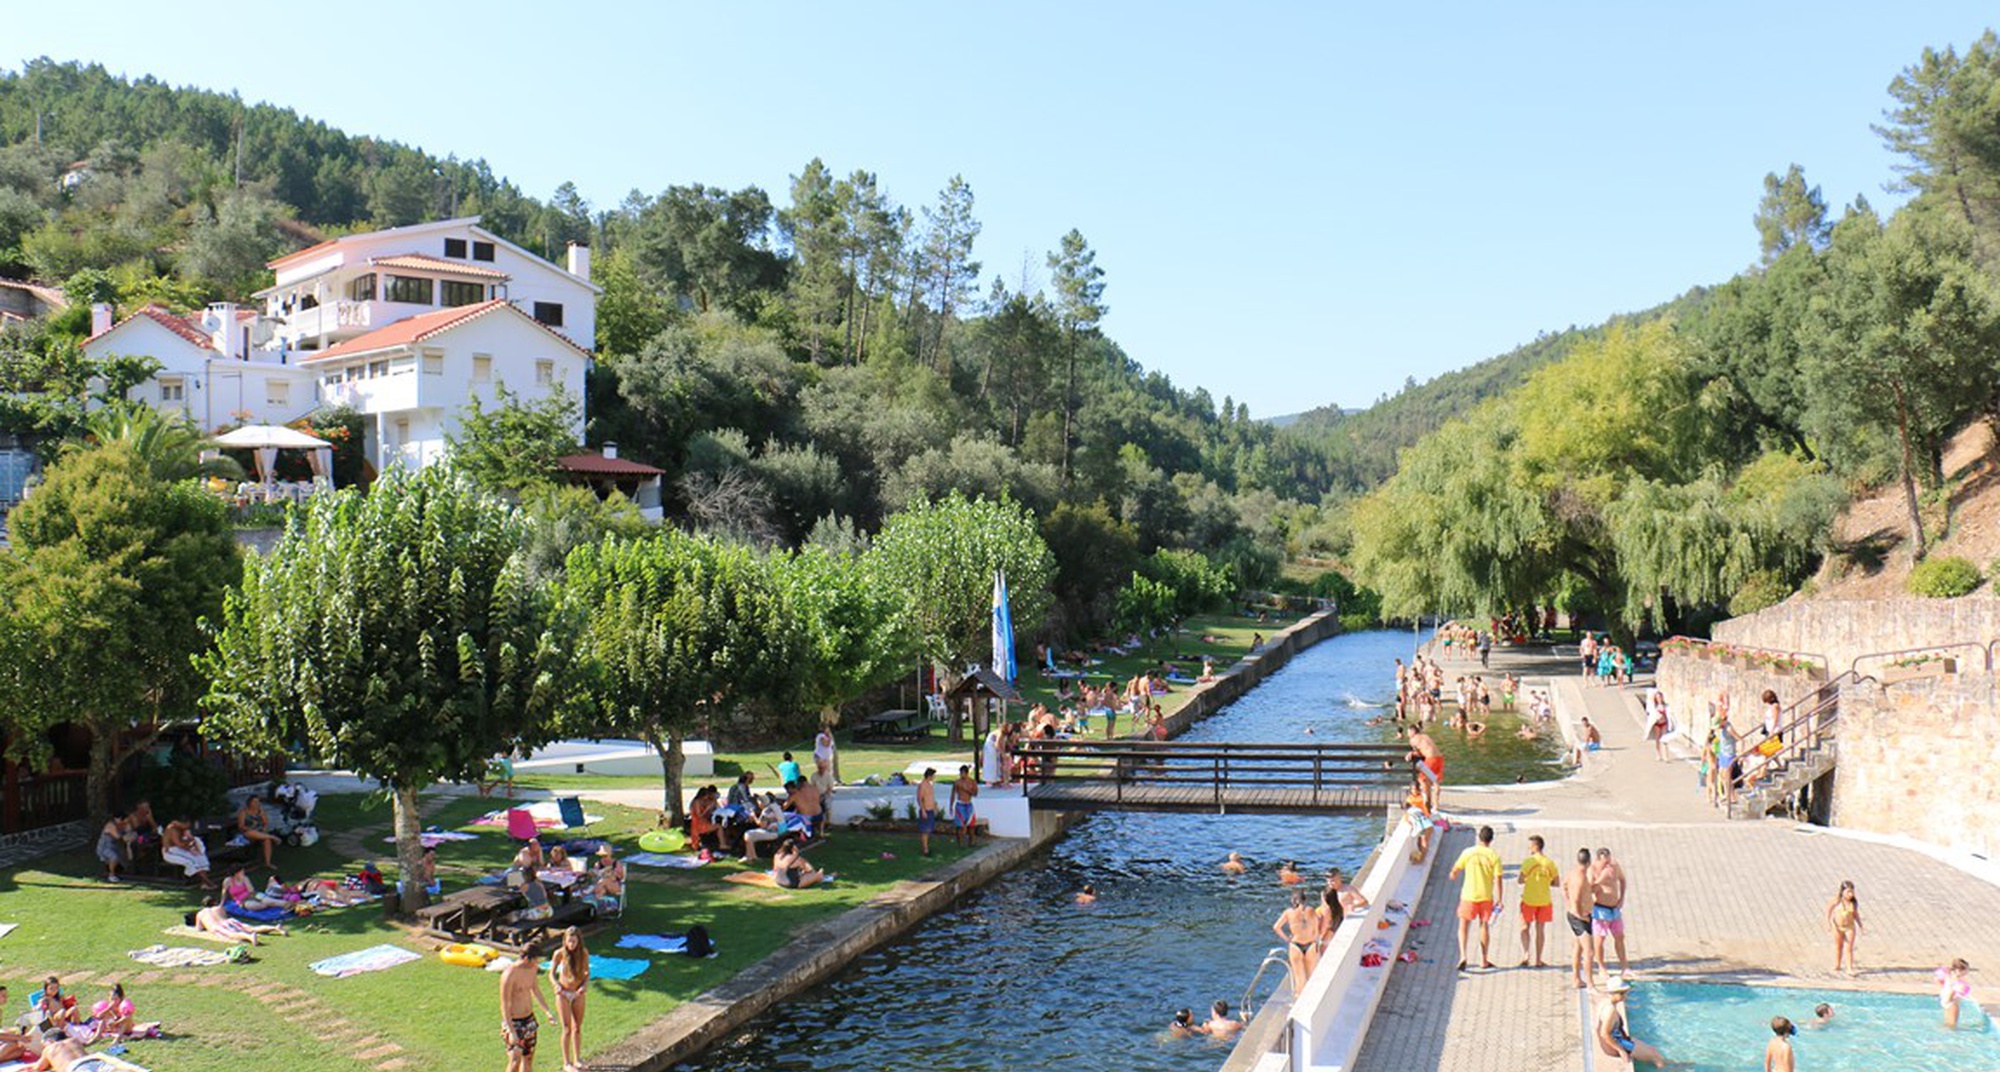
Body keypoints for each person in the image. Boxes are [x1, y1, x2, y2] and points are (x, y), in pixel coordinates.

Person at [1451, 825, 1504, 971]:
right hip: (1486, 896)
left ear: (1479, 837)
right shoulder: (1494, 856)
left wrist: (1453, 875)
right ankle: (1484, 960)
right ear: (1491, 840)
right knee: (1484, 926)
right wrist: (1500, 899)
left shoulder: (1468, 852)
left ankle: (1463, 955)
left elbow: (1455, 870)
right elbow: (1498, 879)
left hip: (1468, 895)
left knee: (1463, 926)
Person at [500, 942, 556, 1072]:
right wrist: (511, 1030)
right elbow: (505, 1005)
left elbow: (535, 990)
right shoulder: (509, 975)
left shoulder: (532, 969)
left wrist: (547, 1012)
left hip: (529, 1020)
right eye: (536, 960)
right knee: (514, 1062)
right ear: (526, 958)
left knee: (528, 1058)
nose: (537, 963)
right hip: (514, 1022)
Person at [1595, 979, 1668, 1068]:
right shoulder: (1610, 1011)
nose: (1625, 996)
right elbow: (1604, 1034)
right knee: (1656, 1057)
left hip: (1618, 1039)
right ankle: (1664, 1069)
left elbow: (1598, 1028)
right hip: (1617, 1044)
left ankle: (1663, 1065)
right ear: (1615, 993)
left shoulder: (1604, 1002)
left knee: (1652, 1050)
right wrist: (1621, 1050)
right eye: (1622, 993)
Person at [549, 926, 590, 1072]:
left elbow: (587, 973)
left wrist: (584, 986)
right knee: (566, 1029)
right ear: (565, 941)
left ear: (579, 941)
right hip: (563, 994)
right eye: (569, 941)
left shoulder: (583, 953)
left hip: (577, 993)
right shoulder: (559, 954)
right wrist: (556, 985)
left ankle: (577, 1059)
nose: (572, 944)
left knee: (577, 1028)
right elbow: (551, 974)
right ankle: (566, 1062)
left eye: (574, 941)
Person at [1517, 835, 1559, 968]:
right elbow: (1556, 882)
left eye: (1530, 845)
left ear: (1536, 846)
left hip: (1529, 899)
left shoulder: (1528, 862)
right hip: (1544, 900)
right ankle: (1538, 959)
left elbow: (1520, 880)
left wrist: (1530, 879)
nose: (1529, 848)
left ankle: (1526, 954)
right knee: (1540, 929)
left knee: (1524, 927)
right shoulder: (1550, 863)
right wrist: (1545, 881)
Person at [1590, 847, 1630, 977]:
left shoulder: (1614, 866)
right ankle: (1601, 967)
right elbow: (1589, 889)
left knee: (1619, 936)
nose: (1607, 865)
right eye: (1604, 862)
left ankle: (1624, 967)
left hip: (1614, 908)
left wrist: (1621, 898)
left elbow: (1622, 879)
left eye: (1608, 861)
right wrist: (1601, 878)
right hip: (1600, 909)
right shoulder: (1592, 870)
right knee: (1599, 939)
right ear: (1598, 860)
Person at [1273, 889, 1322, 995]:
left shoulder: (1288, 912)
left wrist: (1287, 939)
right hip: (1311, 944)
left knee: (1299, 979)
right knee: (1311, 976)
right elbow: (1316, 928)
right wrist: (1316, 941)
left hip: (1295, 945)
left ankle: (1299, 999)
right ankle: (1311, 998)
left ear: (1293, 901)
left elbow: (1276, 927)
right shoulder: (1311, 910)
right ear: (1305, 899)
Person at [1564, 847, 1598, 990]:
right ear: (1589, 862)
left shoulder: (1571, 872)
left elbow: (1564, 886)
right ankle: (1590, 984)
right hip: (1580, 919)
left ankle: (1576, 979)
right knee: (1589, 952)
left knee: (1577, 948)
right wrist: (1580, 915)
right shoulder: (1581, 878)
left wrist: (1568, 902)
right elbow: (1577, 899)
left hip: (1574, 915)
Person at [194, 897, 282, 944]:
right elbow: (224, 916)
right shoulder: (219, 908)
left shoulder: (201, 913)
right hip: (229, 921)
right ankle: (275, 927)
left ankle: (250, 937)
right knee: (251, 928)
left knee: (232, 934)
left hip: (217, 927)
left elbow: (199, 928)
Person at [161, 816, 215, 888]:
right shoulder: (172, 829)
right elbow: (180, 844)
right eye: (187, 825)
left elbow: (187, 842)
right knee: (192, 861)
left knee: (200, 857)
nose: (188, 827)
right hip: (171, 852)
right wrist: (190, 840)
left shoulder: (182, 829)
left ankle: (204, 883)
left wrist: (192, 843)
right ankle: (208, 882)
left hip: (181, 850)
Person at [1825, 879, 1862, 975]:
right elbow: (1828, 910)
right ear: (1842, 892)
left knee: (1849, 948)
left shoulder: (1852, 903)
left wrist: (1860, 925)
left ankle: (1849, 968)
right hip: (1837, 927)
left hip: (1850, 927)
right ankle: (1837, 964)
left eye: (1852, 892)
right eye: (1848, 892)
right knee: (1839, 946)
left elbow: (1855, 914)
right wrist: (1828, 922)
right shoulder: (1837, 901)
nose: (1850, 894)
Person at [236, 795, 279, 868]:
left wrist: (264, 828)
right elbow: (241, 827)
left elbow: (266, 823)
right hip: (248, 833)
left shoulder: (261, 811)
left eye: (258, 802)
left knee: (267, 840)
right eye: (255, 802)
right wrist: (249, 827)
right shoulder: (243, 812)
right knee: (251, 832)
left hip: (260, 832)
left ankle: (268, 863)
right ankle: (273, 837)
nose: (257, 803)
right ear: (250, 803)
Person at [95, 813, 131, 883]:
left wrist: (128, 829)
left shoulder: (121, 825)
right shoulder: (111, 825)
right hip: (104, 847)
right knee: (114, 857)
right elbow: (118, 837)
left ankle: (121, 870)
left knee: (123, 858)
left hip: (113, 846)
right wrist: (127, 832)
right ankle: (111, 875)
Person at [1938, 957, 1972, 1028]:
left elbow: (1940, 981)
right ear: (1959, 970)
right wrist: (1949, 1000)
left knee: (1947, 1023)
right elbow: (1953, 992)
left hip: (1944, 1000)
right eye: (1966, 970)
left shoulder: (1948, 976)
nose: (1967, 972)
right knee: (1953, 1025)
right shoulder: (1958, 981)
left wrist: (1946, 1000)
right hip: (1952, 1003)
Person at [951, 765, 979, 846]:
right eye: (960, 773)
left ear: (966, 773)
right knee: (959, 825)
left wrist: (967, 790)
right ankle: (960, 843)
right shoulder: (957, 782)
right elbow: (953, 794)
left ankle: (971, 841)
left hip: (968, 804)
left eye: (962, 773)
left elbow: (975, 794)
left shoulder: (972, 782)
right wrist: (951, 805)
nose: (961, 775)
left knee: (971, 825)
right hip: (960, 804)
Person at [915, 768, 939, 857]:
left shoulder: (930, 784)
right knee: (925, 830)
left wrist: (935, 807)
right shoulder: (922, 785)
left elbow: (931, 797)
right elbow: (920, 799)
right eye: (933, 775)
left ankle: (927, 846)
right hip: (926, 810)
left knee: (929, 830)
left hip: (931, 809)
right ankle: (925, 849)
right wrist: (923, 810)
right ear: (929, 775)